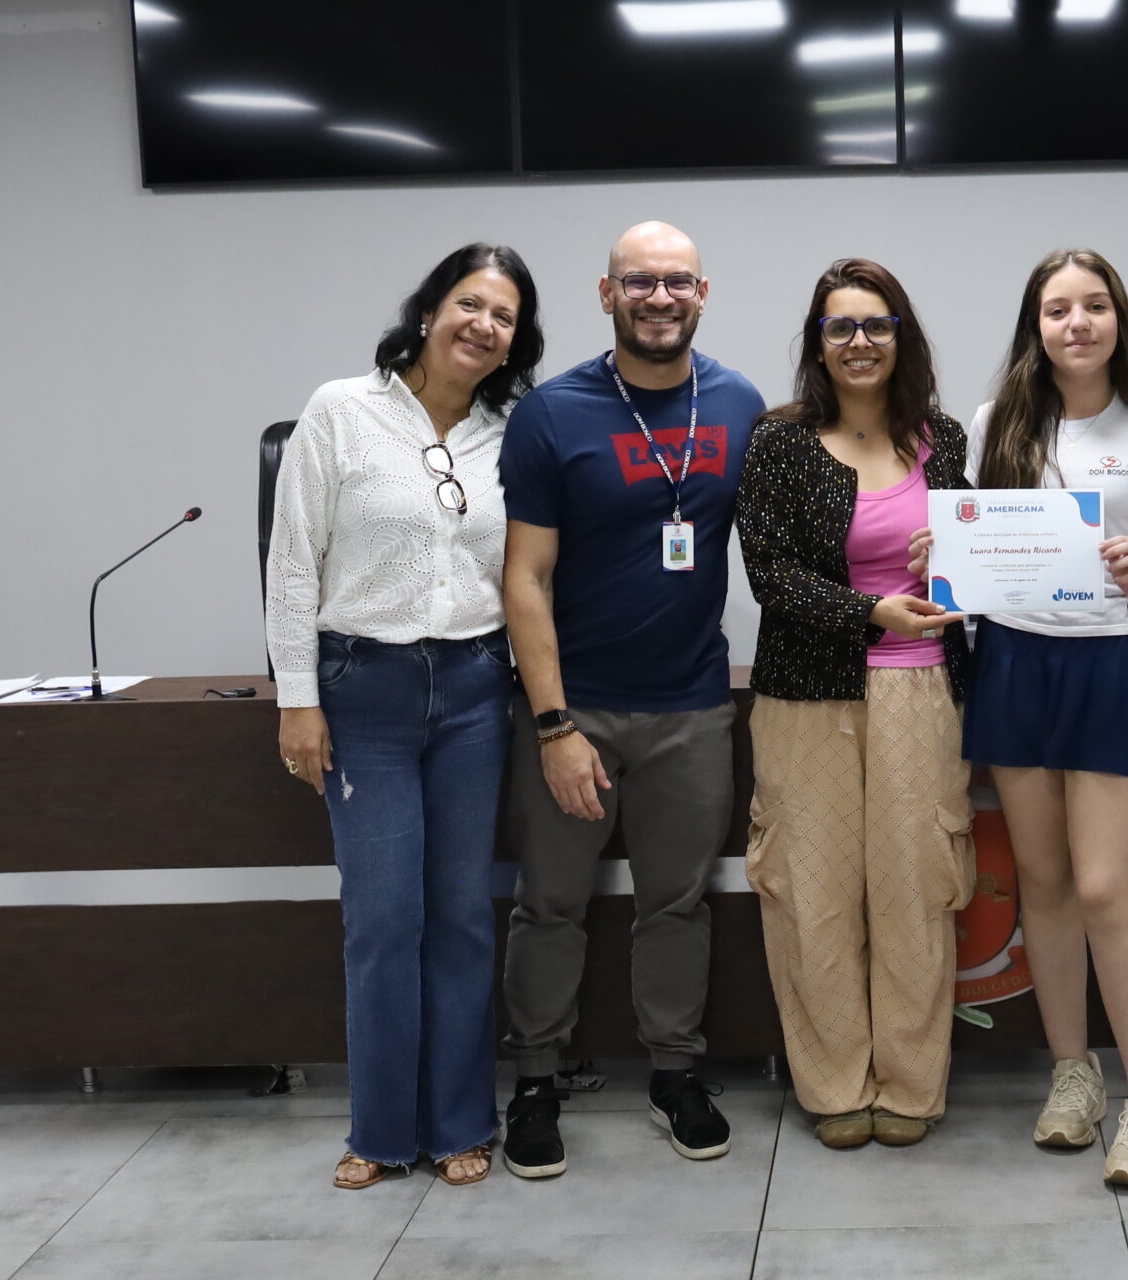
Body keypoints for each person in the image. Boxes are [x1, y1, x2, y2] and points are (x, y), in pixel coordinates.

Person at [917, 248, 1128, 1187]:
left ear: (1119, 319)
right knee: (1041, 882)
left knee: (1104, 887)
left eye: (1094, 306)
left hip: (1117, 664)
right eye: (1056, 309)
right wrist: (939, 554)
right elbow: (974, 548)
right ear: (1035, 327)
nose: (1076, 323)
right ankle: (1073, 1075)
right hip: (1016, 661)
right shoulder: (998, 422)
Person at [266, 242, 544, 1189]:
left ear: (514, 341)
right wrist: (297, 699)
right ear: (429, 310)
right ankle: (381, 1130)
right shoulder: (342, 410)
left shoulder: (513, 433)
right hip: (364, 691)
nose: (483, 325)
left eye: (503, 317)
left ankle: (462, 1122)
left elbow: (530, 569)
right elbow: (293, 562)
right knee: (384, 918)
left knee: (463, 915)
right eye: (470, 303)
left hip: (474, 688)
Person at [496, 221, 765, 1175]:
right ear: (607, 294)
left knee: (677, 905)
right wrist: (554, 725)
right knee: (549, 904)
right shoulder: (552, 414)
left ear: (703, 293)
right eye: (640, 282)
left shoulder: (738, 403)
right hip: (577, 710)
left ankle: (675, 1074)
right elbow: (524, 578)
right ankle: (535, 1080)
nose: (660, 298)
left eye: (677, 282)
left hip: (693, 707)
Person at [737, 259, 973, 1150]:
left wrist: (950, 561)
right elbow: (769, 573)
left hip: (925, 689)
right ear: (819, 342)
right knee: (814, 894)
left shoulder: (943, 439)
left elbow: (980, 564)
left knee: (916, 889)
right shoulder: (780, 441)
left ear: (902, 336)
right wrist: (869, 610)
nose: (860, 342)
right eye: (841, 327)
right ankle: (834, 1084)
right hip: (807, 697)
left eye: (877, 324)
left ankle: (911, 1086)